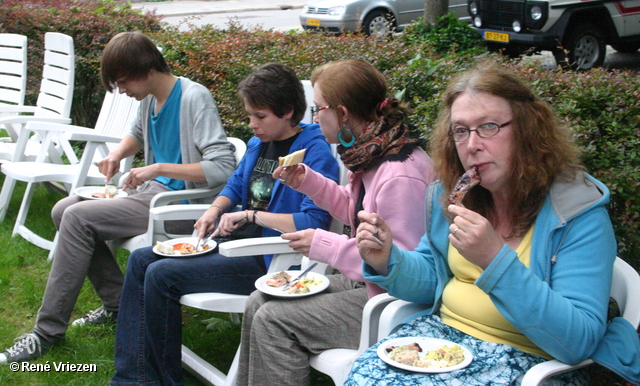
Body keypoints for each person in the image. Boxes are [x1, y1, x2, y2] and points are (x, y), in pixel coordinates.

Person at [347, 61, 640, 385]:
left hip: (528, 363)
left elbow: (577, 341)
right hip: (440, 345)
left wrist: (494, 261)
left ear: (527, 130)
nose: (472, 145)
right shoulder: (452, 196)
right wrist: (390, 260)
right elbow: (433, 277)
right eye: (460, 130)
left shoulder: (577, 213)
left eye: (488, 126)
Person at [0, 31, 236, 365]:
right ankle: (117, 305)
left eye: (124, 82)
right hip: (151, 197)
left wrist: (157, 169)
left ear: (147, 69)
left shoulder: (194, 98)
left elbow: (224, 166)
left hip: (182, 206)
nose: (122, 91)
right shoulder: (150, 99)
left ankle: (46, 333)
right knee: (63, 208)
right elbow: (137, 135)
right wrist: (117, 155)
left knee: (78, 217)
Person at [109, 62, 339, 386]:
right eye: (249, 115)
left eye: (260, 116)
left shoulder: (313, 152)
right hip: (237, 244)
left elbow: (314, 221)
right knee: (141, 258)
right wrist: (213, 210)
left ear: (288, 111)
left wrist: (251, 216)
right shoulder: (260, 143)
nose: (252, 124)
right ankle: (133, 375)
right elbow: (233, 184)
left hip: (272, 260)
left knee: (162, 275)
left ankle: (160, 381)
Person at [236, 59, 437, 386]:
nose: (314, 118)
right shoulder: (375, 153)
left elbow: (400, 265)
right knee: (261, 299)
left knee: (274, 319)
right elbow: (355, 208)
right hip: (369, 289)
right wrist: (307, 181)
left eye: (318, 109)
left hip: (394, 307)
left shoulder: (399, 174)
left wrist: (325, 246)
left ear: (342, 113)